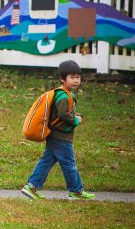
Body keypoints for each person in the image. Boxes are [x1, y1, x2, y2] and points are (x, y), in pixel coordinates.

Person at [21, 60, 95, 200]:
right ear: (62, 79)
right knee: (69, 163)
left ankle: (31, 187)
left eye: (78, 77)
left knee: (47, 161)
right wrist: (75, 120)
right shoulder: (62, 95)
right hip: (60, 136)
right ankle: (76, 191)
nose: (76, 80)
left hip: (56, 135)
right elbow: (63, 114)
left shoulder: (65, 94)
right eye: (72, 77)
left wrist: (73, 115)